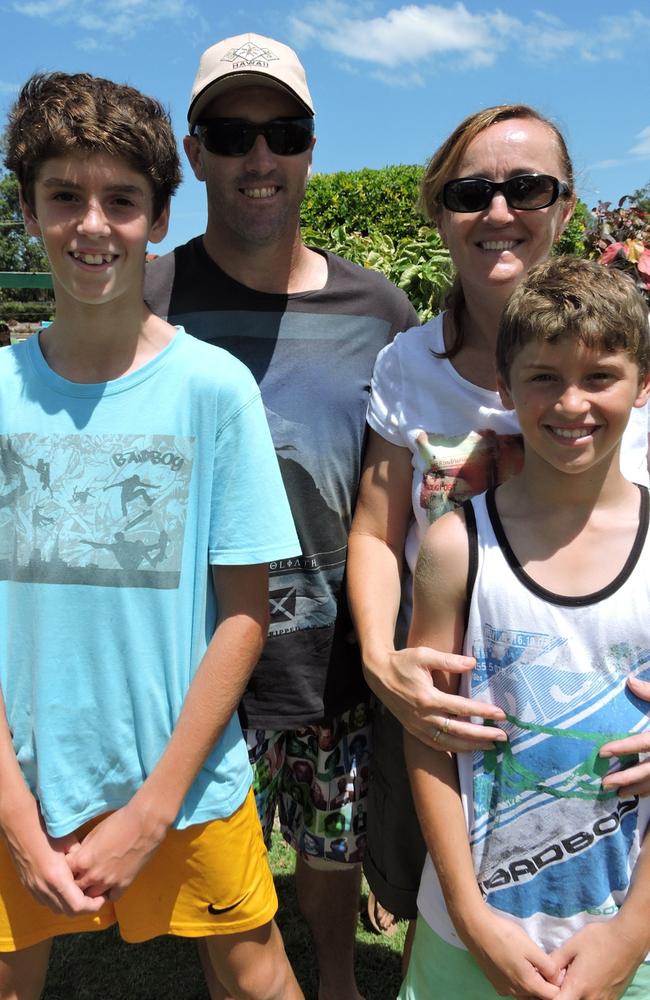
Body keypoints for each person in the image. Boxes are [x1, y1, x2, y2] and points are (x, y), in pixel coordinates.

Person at [0, 72, 303, 1000]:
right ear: (28, 209)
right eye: (64, 196)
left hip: (187, 782)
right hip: (24, 779)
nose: (93, 225)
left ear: (160, 217)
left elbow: (243, 616)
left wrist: (152, 810)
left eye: (122, 200)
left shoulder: (214, 390)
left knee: (256, 976)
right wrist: (14, 813)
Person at [144, 32, 418, 1000]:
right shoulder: (149, 297)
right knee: (219, 858)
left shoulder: (377, 309)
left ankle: (337, 975)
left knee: (330, 843)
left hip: (333, 647)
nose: (257, 158)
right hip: (195, 648)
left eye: (281, 132)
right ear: (195, 151)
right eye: (230, 133)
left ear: (309, 147)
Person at [347, 105, 650, 950]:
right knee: (447, 918)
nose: (500, 210)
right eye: (471, 190)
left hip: (604, 712)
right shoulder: (409, 364)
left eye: (528, 187)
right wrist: (384, 662)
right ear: (440, 210)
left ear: (565, 205)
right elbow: (375, 530)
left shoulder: (628, 363)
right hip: (443, 709)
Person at [400, 256, 650, 999]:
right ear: (505, 389)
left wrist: (632, 933)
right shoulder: (454, 546)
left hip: (630, 933)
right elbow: (428, 732)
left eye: (600, 375)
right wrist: (472, 919)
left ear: (643, 383)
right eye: (544, 376)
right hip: (469, 933)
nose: (571, 402)